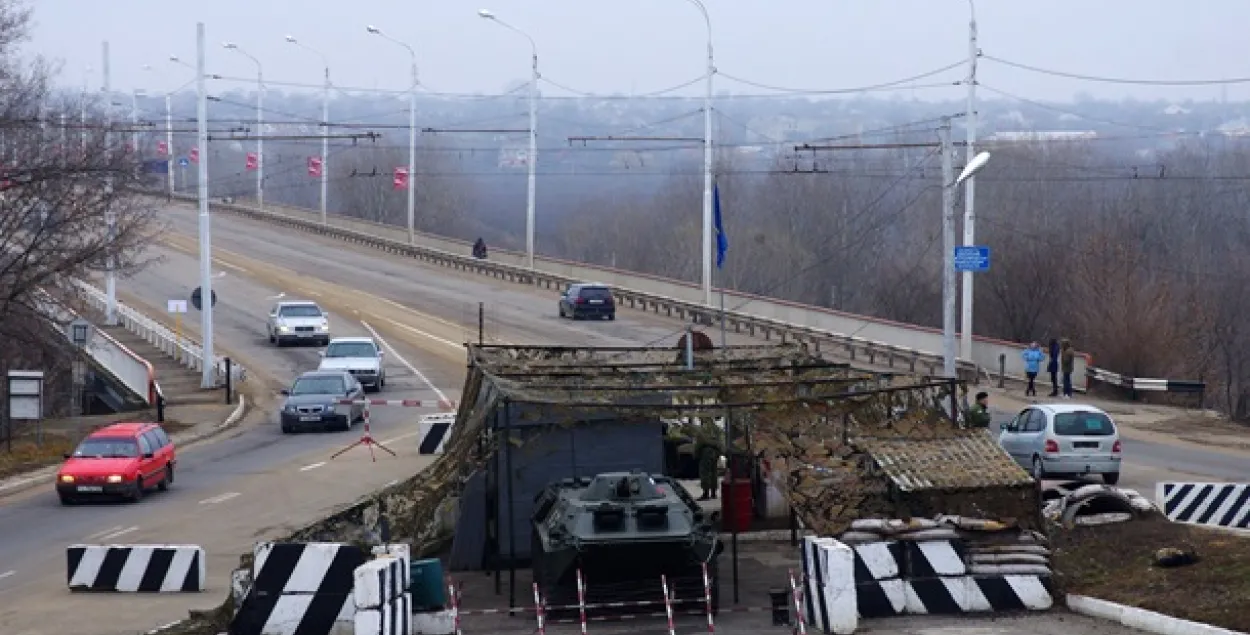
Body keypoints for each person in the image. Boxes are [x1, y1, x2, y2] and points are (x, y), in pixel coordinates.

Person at [693, 420, 723, 500]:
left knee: (705, 472)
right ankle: (713, 493)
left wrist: (696, 453)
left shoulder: (704, 428)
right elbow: (721, 441)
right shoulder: (716, 428)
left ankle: (706, 493)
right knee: (714, 472)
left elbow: (700, 441)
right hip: (715, 451)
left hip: (706, 451)